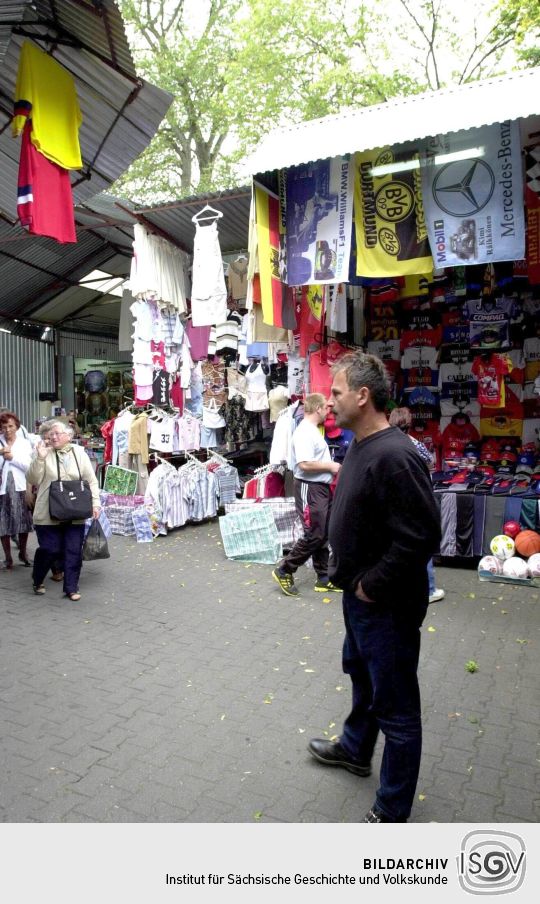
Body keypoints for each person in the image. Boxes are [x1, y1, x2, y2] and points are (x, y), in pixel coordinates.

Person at [307, 352, 441, 823]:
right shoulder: (361, 444)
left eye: (337, 393)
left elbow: (422, 536)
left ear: (363, 396)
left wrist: (372, 585)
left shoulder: (397, 454)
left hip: (385, 603)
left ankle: (392, 807)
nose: (330, 404)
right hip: (360, 598)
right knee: (362, 678)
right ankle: (355, 749)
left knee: (397, 707)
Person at [272, 393, 341, 596]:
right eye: (325, 408)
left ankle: (323, 577)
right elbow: (304, 464)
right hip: (309, 488)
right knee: (314, 533)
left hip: (318, 488)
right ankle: (285, 569)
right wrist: (332, 466)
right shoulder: (304, 432)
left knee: (323, 532)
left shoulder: (311, 430)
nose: (328, 412)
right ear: (318, 409)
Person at [26, 422, 100, 600]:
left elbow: (91, 480)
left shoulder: (79, 453)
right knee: (50, 549)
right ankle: (37, 578)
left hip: (75, 510)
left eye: (57, 433)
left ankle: (71, 588)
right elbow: (33, 479)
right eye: (51, 434)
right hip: (47, 511)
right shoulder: (43, 452)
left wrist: (95, 503)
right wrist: (40, 458)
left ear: (68, 435)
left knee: (73, 550)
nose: (53, 437)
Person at [388, 407, 445, 604]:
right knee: (421, 542)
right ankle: (428, 589)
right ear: (409, 424)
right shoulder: (415, 445)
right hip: (416, 500)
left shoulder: (384, 444)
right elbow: (430, 462)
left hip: (393, 501)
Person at [0, 411, 33, 569]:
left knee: (23, 521)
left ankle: (23, 552)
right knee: (3, 523)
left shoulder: (24, 444)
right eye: (4, 426)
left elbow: (29, 467)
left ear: (17, 426)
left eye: (11, 426)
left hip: (20, 487)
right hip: (2, 487)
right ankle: (7, 557)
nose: (8, 430)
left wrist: (11, 458)